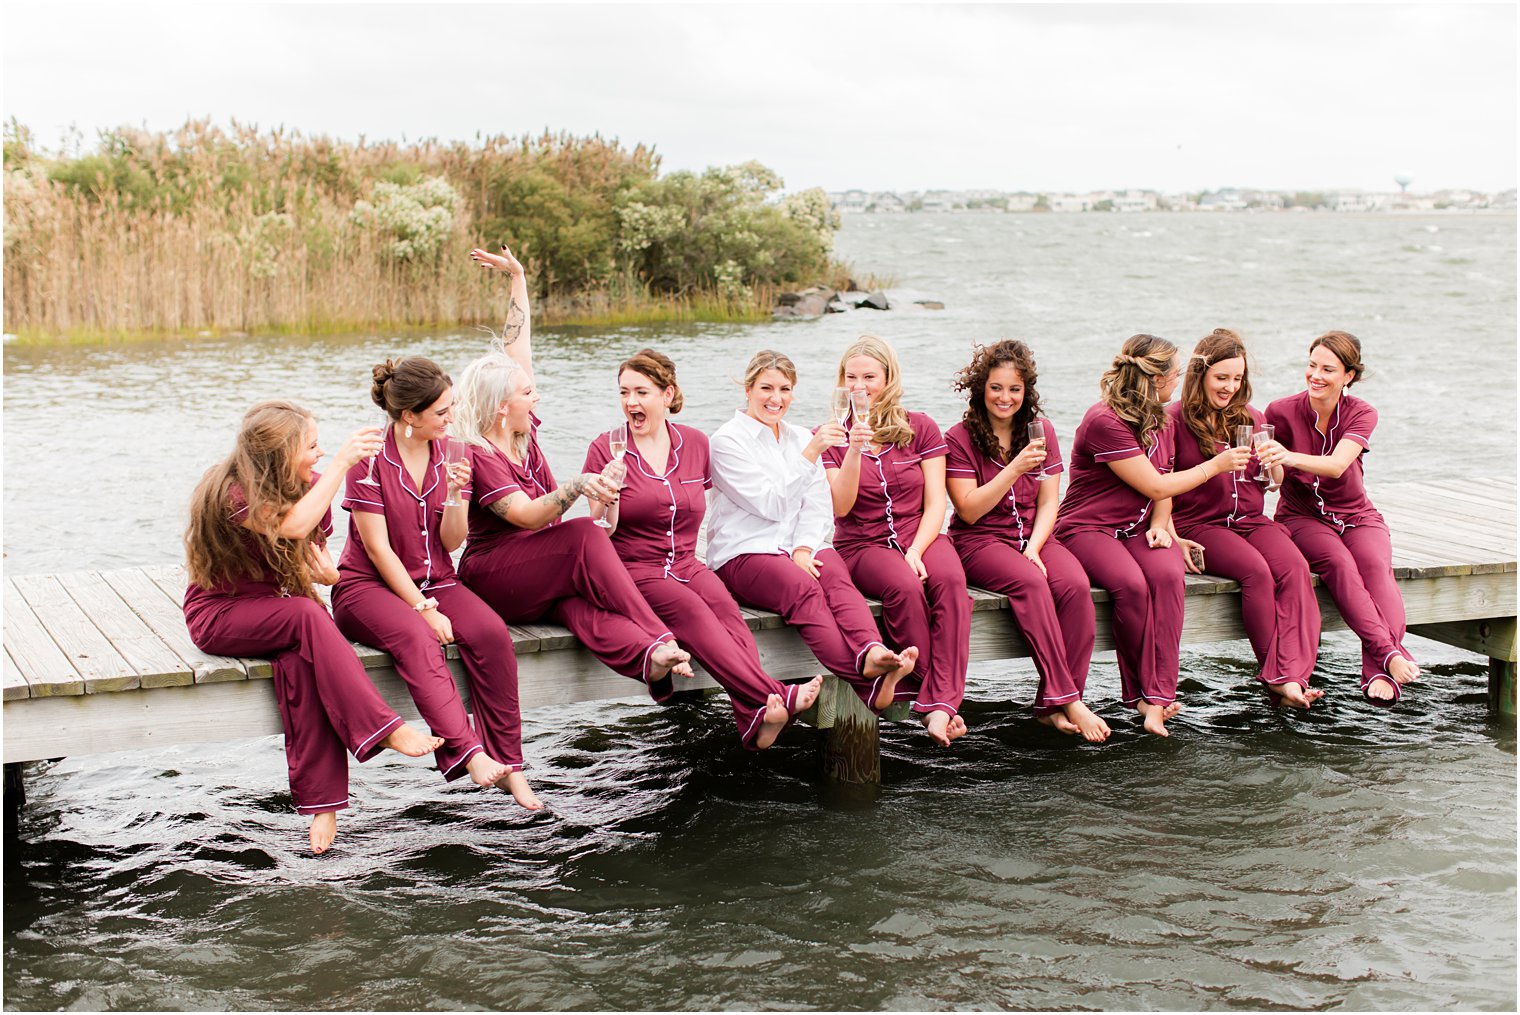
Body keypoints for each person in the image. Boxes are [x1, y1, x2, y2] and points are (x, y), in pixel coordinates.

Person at [183, 401, 442, 854]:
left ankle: (324, 802)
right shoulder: (232, 494)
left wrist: (328, 578)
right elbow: (290, 527)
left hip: (273, 612)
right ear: (280, 452)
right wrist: (344, 460)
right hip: (220, 613)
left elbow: (304, 559)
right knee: (307, 616)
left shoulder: (309, 487)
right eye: (312, 445)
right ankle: (383, 728)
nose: (320, 454)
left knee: (301, 661)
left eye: (322, 445)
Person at [456, 245, 695, 702]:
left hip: (537, 570)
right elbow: (526, 516)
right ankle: (660, 633)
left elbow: (517, 355)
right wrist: (579, 485)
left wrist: (519, 282)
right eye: (529, 393)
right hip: (494, 577)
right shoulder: (478, 453)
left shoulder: (522, 432)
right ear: (503, 406)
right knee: (585, 533)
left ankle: (652, 660)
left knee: (578, 608)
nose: (537, 396)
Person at [583, 348, 823, 750]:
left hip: (687, 561)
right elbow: (600, 529)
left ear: (667, 394)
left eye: (641, 392)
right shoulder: (607, 447)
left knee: (728, 612)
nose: (630, 403)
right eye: (624, 393)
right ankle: (774, 696)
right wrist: (610, 492)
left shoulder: (695, 443)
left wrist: (788, 541)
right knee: (694, 611)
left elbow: (732, 499)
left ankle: (753, 718)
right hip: (634, 569)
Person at [331, 355, 541, 809]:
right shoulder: (369, 462)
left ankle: (512, 765)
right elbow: (377, 550)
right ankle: (468, 753)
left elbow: (452, 541)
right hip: (367, 588)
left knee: (491, 635)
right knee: (418, 640)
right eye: (442, 412)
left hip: (437, 579)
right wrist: (423, 609)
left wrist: (452, 497)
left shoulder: (456, 452)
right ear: (410, 416)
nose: (452, 418)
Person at [1054, 334, 1249, 737]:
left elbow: (1165, 486)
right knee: (1131, 585)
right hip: (1089, 528)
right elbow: (1155, 484)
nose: (1179, 382)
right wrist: (1217, 465)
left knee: (1166, 575)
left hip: (1139, 528)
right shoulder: (1104, 421)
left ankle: (1157, 698)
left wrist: (1163, 528)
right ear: (1154, 378)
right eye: (1175, 374)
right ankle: (1134, 694)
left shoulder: (1161, 418)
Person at [706, 349, 919, 713]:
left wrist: (804, 548)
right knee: (803, 587)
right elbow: (770, 504)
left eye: (785, 389)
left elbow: (819, 505)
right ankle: (864, 681)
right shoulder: (727, 442)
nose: (776, 399)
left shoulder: (798, 435)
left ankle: (872, 651)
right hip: (744, 552)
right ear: (747, 389)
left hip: (795, 548)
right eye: (766, 388)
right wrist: (811, 453)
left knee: (835, 574)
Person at [944, 340, 1110, 741]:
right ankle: (1070, 699)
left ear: (1026, 391)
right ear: (981, 388)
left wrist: (1036, 546)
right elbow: (968, 510)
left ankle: (1049, 705)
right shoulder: (958, 438)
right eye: (997, 387)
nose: (1005, 397)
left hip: (1034, 535)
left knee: (1074, 587)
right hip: (980, 540)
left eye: (1014, 389)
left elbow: (1051, 499)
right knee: (1031, 582)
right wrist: (1014, 468)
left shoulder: (1042, 430)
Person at [820, 335, 970, 746]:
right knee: (903, 586)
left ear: (888, 378)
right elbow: (841, 505)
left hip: (918, 533)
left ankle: (941, 703)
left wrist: (918, 549)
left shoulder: (919, 427)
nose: (859, 386)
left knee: (952, 583)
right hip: (862, 544)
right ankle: (932, 699)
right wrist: (853, 449)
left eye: (869, 377)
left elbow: (936, 500)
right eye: (851, 377)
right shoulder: (830, 435)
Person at [1260, 330, 1419, 706]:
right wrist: (1270, 467)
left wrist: (1286, 455)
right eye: (1311, 365)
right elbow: (1272, 482)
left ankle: (1379, 669)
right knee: (1340, 565)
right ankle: (1391, 654)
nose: (1316, 375)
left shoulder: (1362, 412)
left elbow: (1336, 465)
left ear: (1348, 375)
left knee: (1376, 568)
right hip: (1302, 518)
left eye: (1327, 369)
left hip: (1358, 515)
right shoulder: (1279, 411)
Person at [1167, 329, 1323, 709]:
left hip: (1250, 520)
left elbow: (1274, 484)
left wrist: (1275, 466)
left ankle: (1295, 674)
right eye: (1222, 378)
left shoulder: (1254, 418)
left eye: (1237, 379)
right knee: (1256, 571)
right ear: (1200, 375)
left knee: (1295, 567)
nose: (1229, 387)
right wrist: (1173, 537)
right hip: (1200, 523)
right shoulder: (1173, 419)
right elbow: (1158, 486)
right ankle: (1277, 679)